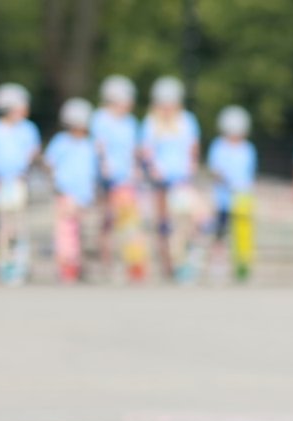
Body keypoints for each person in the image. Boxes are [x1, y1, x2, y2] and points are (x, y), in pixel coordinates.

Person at [0, 83, 40, 283]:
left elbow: (33, 152)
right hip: (0, 183)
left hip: (20, 182)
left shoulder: (27, 128)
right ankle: (2, 263)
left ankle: (21, 262)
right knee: (3, 225)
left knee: (20, 224)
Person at [140, 76, 201, 279]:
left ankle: (183, 262)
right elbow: (146, 150)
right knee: (163, 224)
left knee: (184, 224)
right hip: (160, 183)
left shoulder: (187, 121)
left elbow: (193, 149)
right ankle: (167, 266)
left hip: (180, 182)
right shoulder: (151, 122)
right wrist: (153, 170)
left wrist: (190, 169)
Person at [91, 75, 143, 278]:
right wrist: (104, 167)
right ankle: (107, 263)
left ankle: (132, 263)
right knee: (107, 222)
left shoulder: (130, 122)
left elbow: (134, 149)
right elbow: (99, 146)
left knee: (129, 223)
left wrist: (136, 168)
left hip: (126, 180)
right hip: (107, 181)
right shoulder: (101, 118)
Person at [44, 98, 98, 282]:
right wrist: (58, 184)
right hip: (66, 194)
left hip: (85, 196)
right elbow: (49, 163)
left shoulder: (89, 144)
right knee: (66, 232)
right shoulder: (61, 142)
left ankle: (80, 266)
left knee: (83, 233)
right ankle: (66, 266)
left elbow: (92, 171)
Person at [206, 105, 257, 282]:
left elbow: (249, 175)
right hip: (223, 199)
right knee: (220, 233)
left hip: (242, 198)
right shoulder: (219, 146)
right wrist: (227, 181)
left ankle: (242, 266)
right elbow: (215, 170)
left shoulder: (248, 148)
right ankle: (217, 264)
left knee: (242, 233)